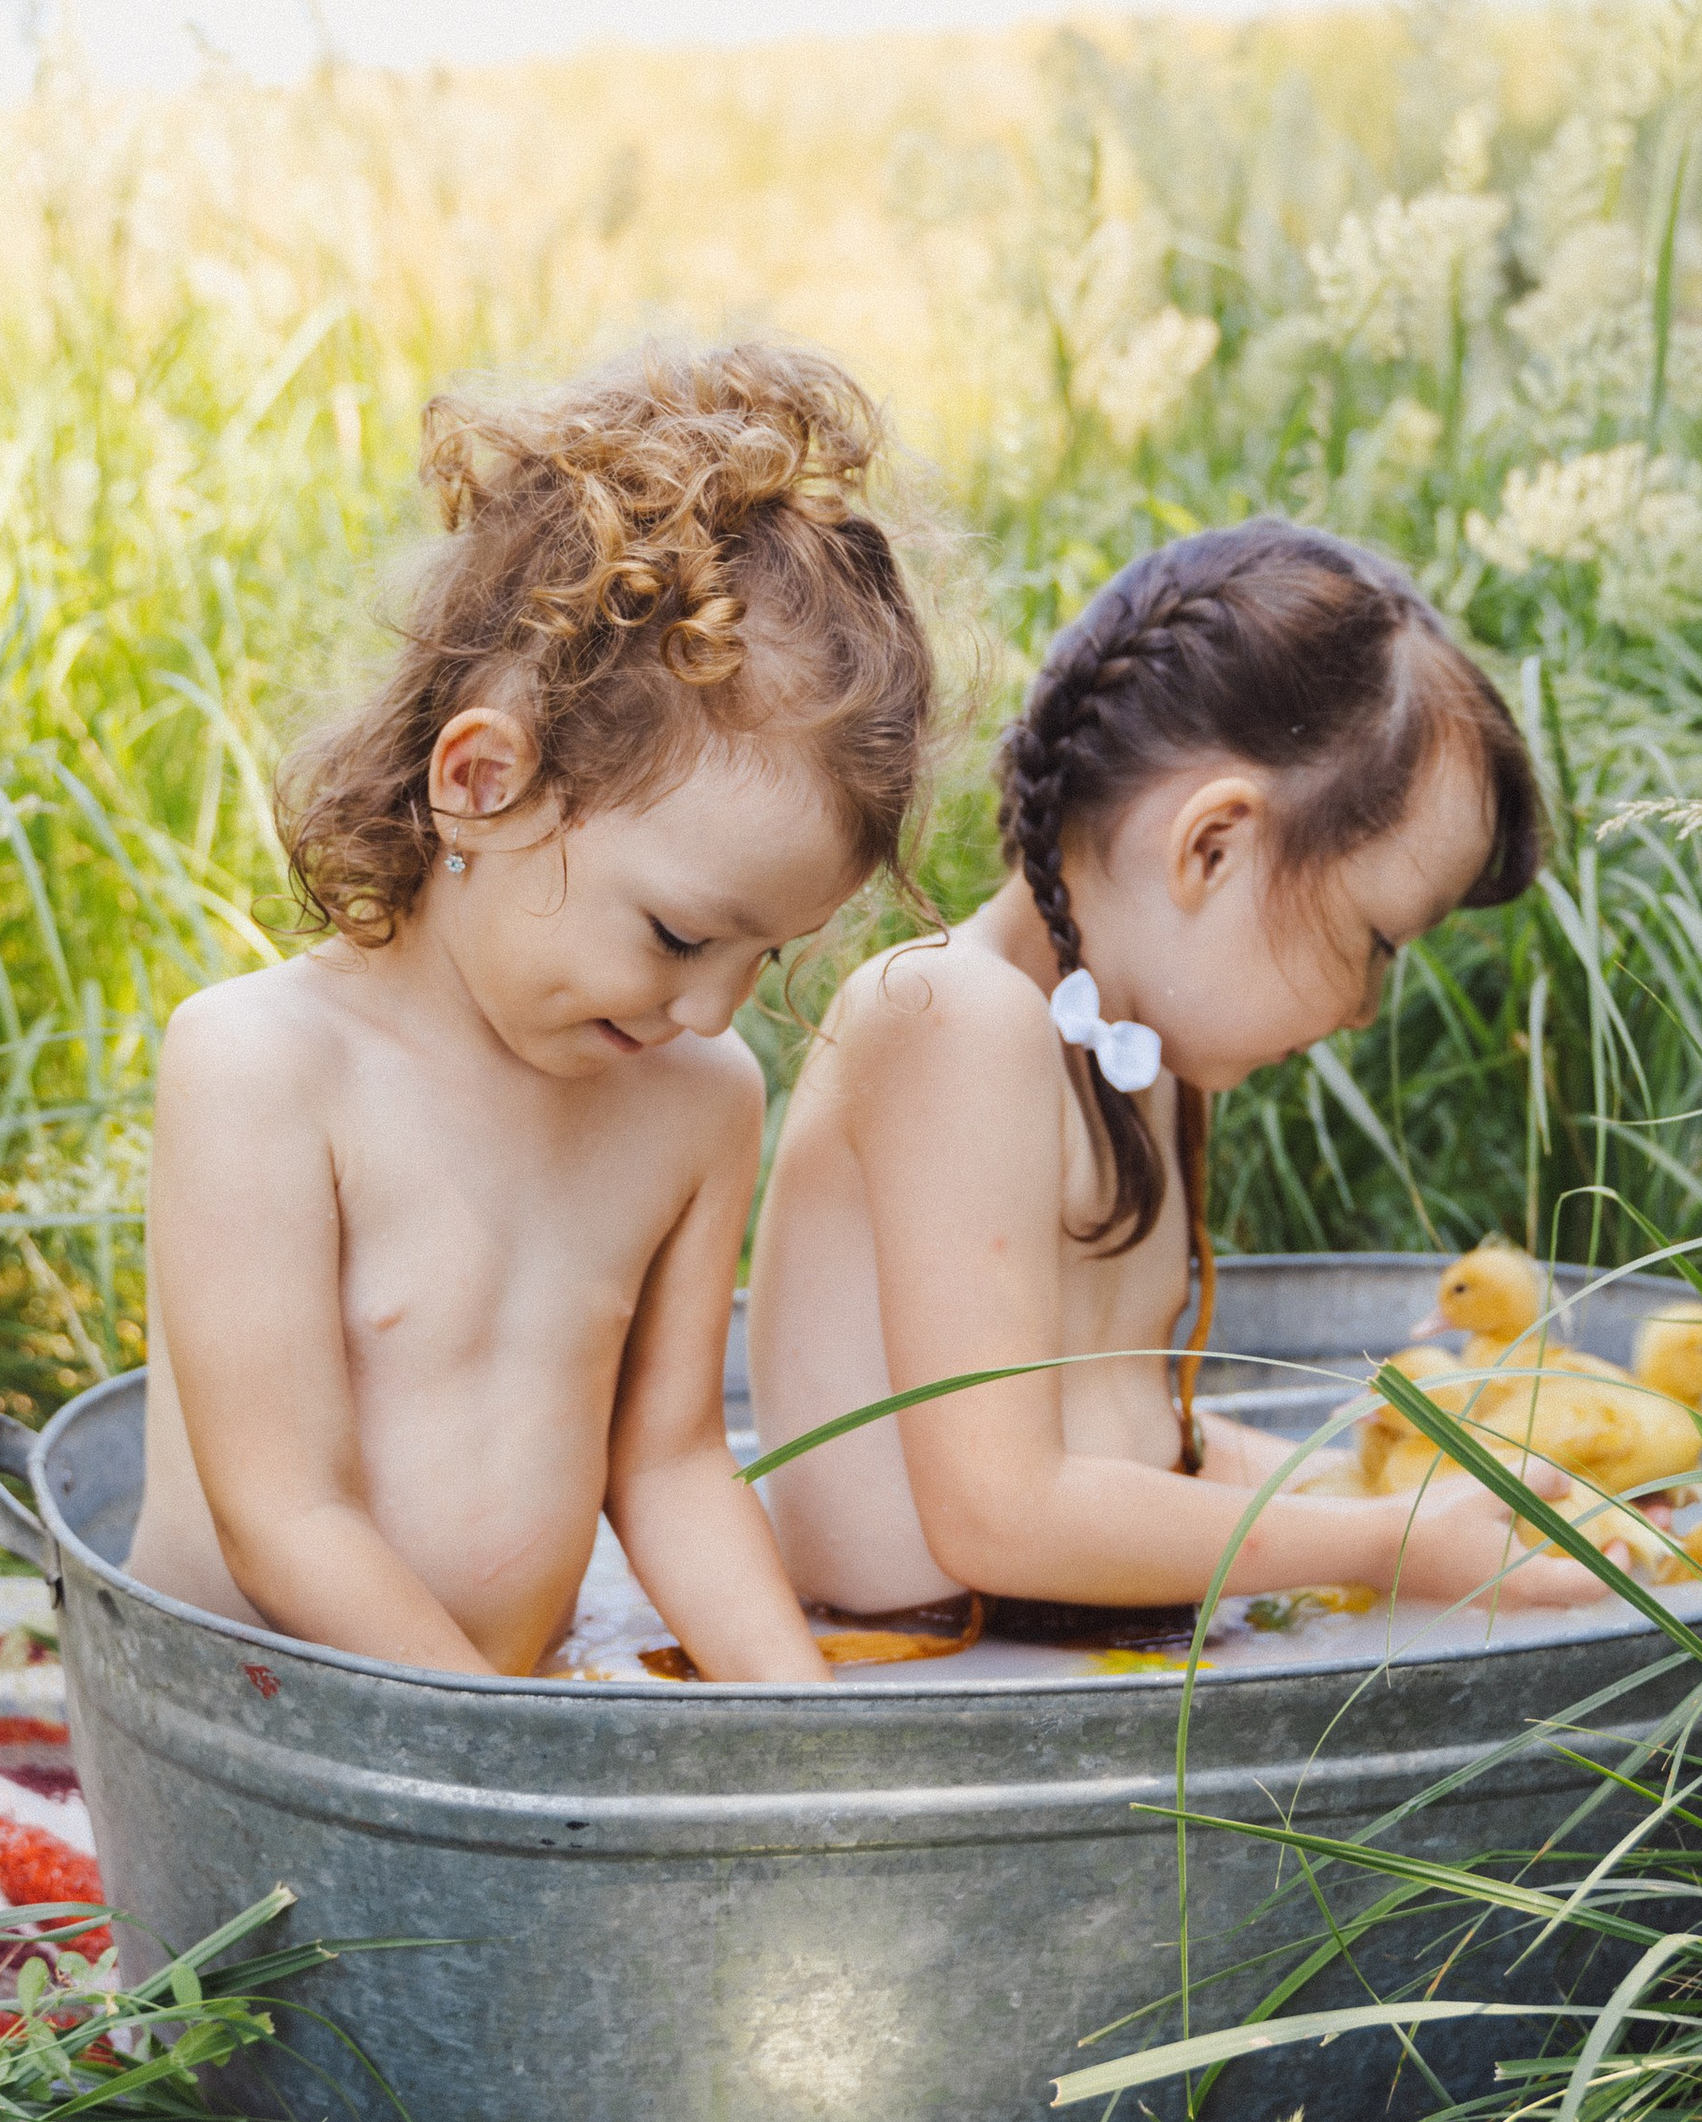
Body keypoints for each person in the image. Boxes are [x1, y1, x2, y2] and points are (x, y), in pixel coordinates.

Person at [130, 343, 934, 1682]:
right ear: (486, 782)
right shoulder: (264, 1070)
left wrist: (803, 1733)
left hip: (515, 1705)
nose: (715, 1005)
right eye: (681, 933)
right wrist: (499, 1748)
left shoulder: (697, 1099)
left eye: (763, 953)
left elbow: (669, 1463)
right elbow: (285, 1519)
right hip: (263, 1714)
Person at [747, 519, 1603, 1632]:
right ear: (1212, 847)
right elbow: (999, 1515)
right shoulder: (951, 1017)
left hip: (1055, 1654)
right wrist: (1390, 1545)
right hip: (918, 1679)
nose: (1363, 1008)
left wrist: (1414, 1491)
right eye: (1377, 940)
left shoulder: (1132, 1042)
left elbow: (1133, 1440)